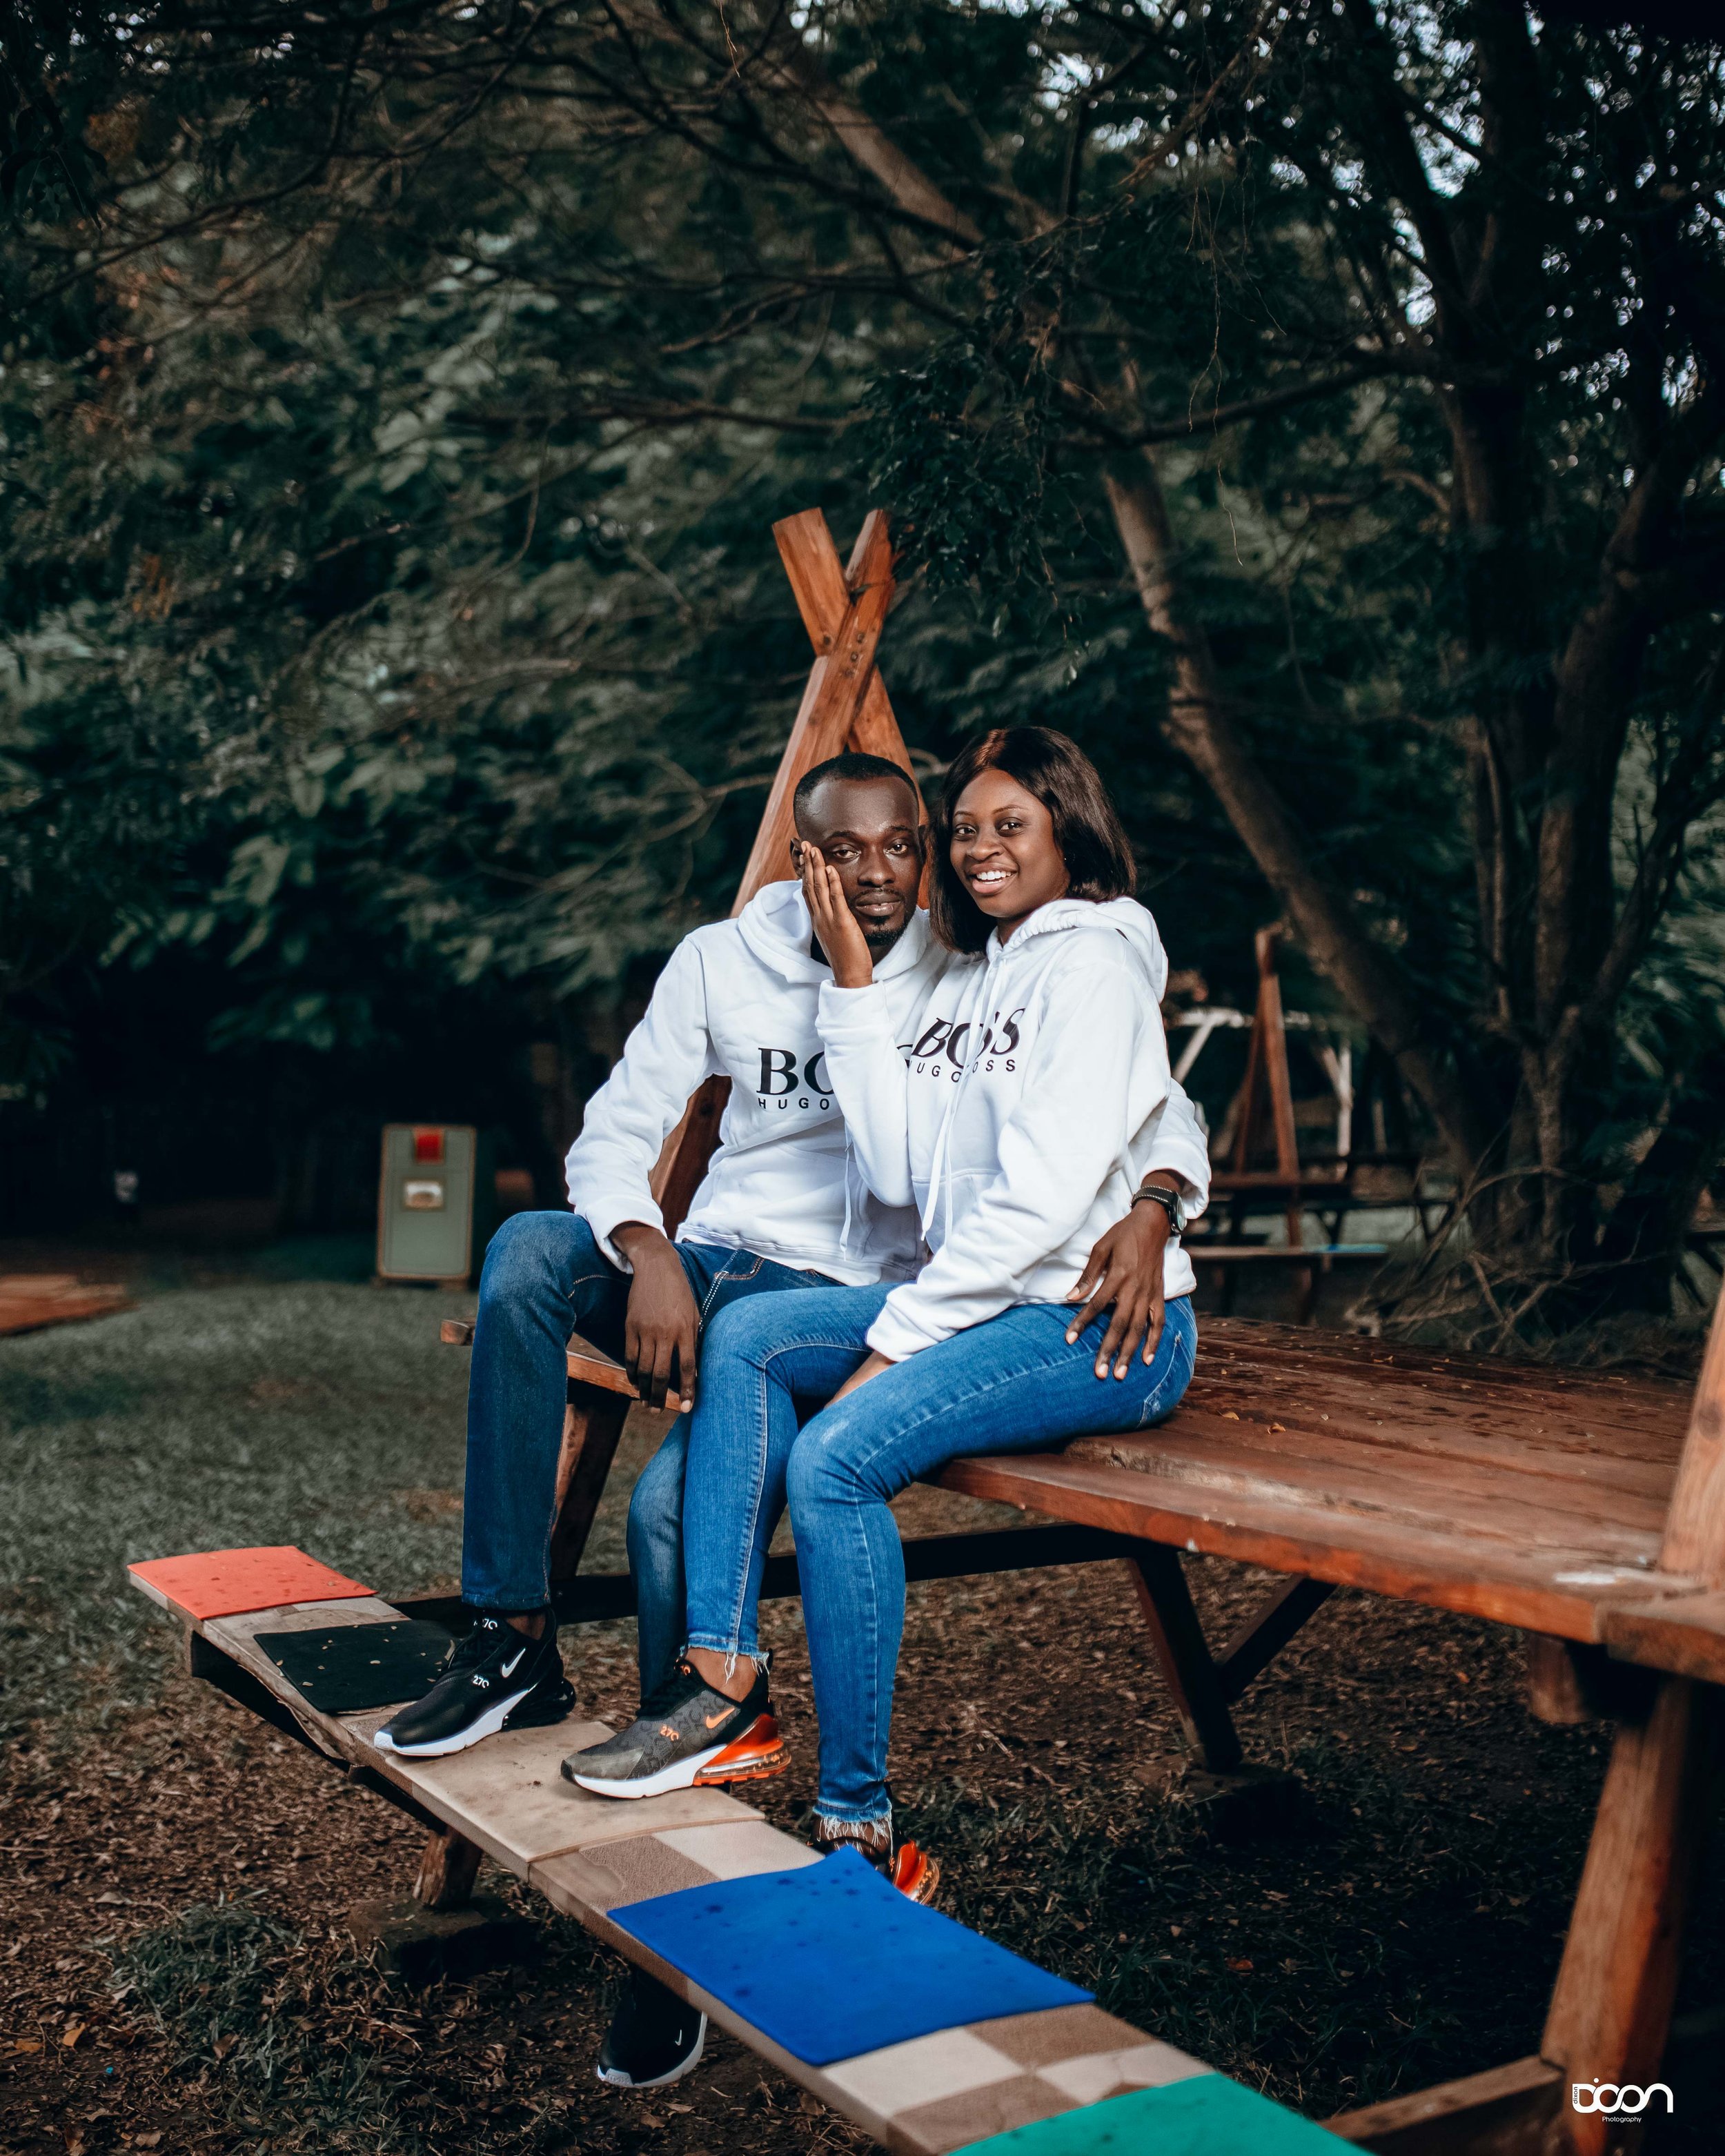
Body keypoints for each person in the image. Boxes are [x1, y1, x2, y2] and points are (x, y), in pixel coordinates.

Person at [373, 744, 1207, 2088]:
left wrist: (1161, 1193)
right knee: (531, 1253)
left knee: (659, 1513)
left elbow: (1141, 1098)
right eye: (853, 850)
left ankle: (684, 1931)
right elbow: (613, 1132)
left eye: (912, 845)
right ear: (800, 854)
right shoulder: (731, 959)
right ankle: (511, 1634)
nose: (885, 873)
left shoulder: (982, 951)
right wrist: (644, 1246)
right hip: (744, 1269)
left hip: (890, 1295)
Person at [567, 728, 1207, 1913]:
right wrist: (858, 985)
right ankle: (724, 1685)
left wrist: (1150, 1211)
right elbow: (909, 1170)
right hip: (993, 1297)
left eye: (1008, 824)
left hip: (1092, 1320)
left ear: (1069, 824)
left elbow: (1053, 1189)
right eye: (964, 828)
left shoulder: (1097, 958)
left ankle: (859, 1825)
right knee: (753, 1337)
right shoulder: (978, 966)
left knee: (835, 1458)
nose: (978, 849)